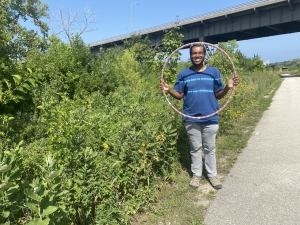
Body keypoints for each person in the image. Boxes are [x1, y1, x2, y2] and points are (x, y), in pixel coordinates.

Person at [160, 43, 239, 190]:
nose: (197, 56)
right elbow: (179, 96)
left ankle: (212, 176)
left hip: (211, 117)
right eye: (194, 53)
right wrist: (168, 89)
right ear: (190, 55)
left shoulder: (214, 72)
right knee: (195, 148)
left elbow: (218, 95)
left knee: (210, 148)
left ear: (204, 54)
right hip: (191, 118)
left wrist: (228, 87)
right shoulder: (184, 74)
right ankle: (196, 175)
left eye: (200, 53)